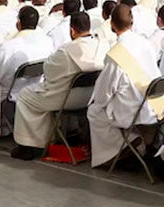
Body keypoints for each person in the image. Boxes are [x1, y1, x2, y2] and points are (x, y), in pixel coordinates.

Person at [11, 12, 110, 158]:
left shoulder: (66, 51)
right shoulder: (102, 44)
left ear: (72, 30)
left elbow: (49, 72)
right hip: (90, 97)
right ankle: (61, 134)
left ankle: (31, 144)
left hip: (65, 98)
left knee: (25, 96)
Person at [87, 4, 163, 167]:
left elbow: (104, 91)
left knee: (94, 111)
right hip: (157, 102)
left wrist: (98, 102)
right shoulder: (145, 42)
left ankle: (123, 146)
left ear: (112, 24)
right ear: (131, 22)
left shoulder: (117, 54)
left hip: (135, 108)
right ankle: (129, 143)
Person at [0, 6, 54, 143]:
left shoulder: (9, 46)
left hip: (10, 89)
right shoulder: (47, 42)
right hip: (35, 84)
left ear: (19, 23)